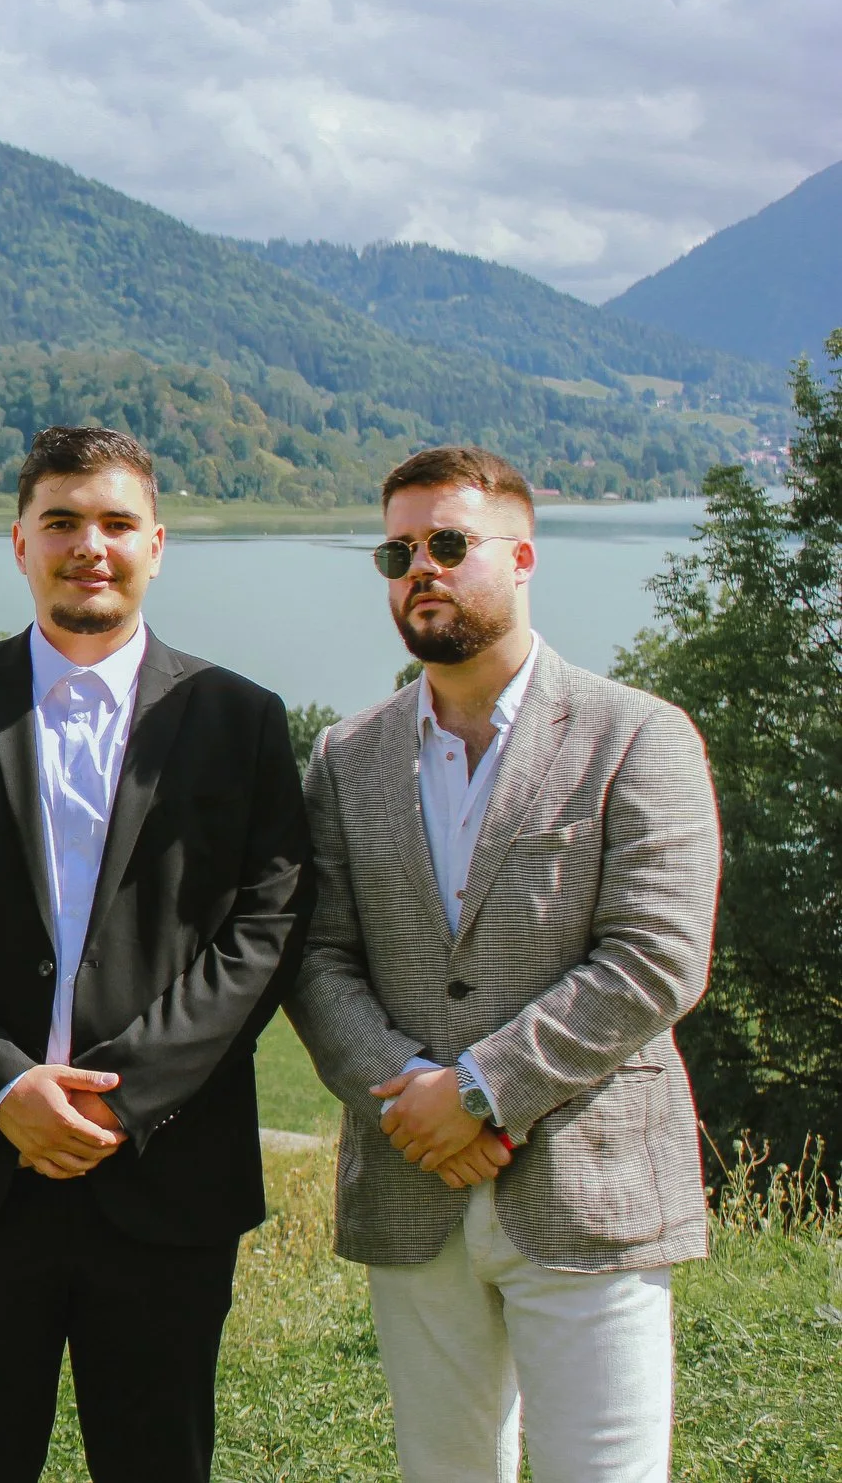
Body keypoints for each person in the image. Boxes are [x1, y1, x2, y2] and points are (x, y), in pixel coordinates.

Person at [0, 425, 310, 1483]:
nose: (87, 544)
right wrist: (0, 1085)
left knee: (158, 1461)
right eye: (61, 521)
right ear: (19, 542)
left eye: (114, 523)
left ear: (156, 543)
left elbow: (266, 926)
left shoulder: (237, 718)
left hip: (163, 1174)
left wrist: (119, 1095)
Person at [286, 445, 719, 1483]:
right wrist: (408, 1100)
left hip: (590, 1188)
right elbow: (314, 954)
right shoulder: (348, 756)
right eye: (397, 551)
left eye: (447, 543)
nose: (419, 569)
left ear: (521, 556)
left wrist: (479, 1091)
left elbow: (656, 956)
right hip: (413, 1186)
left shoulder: (636, 735)